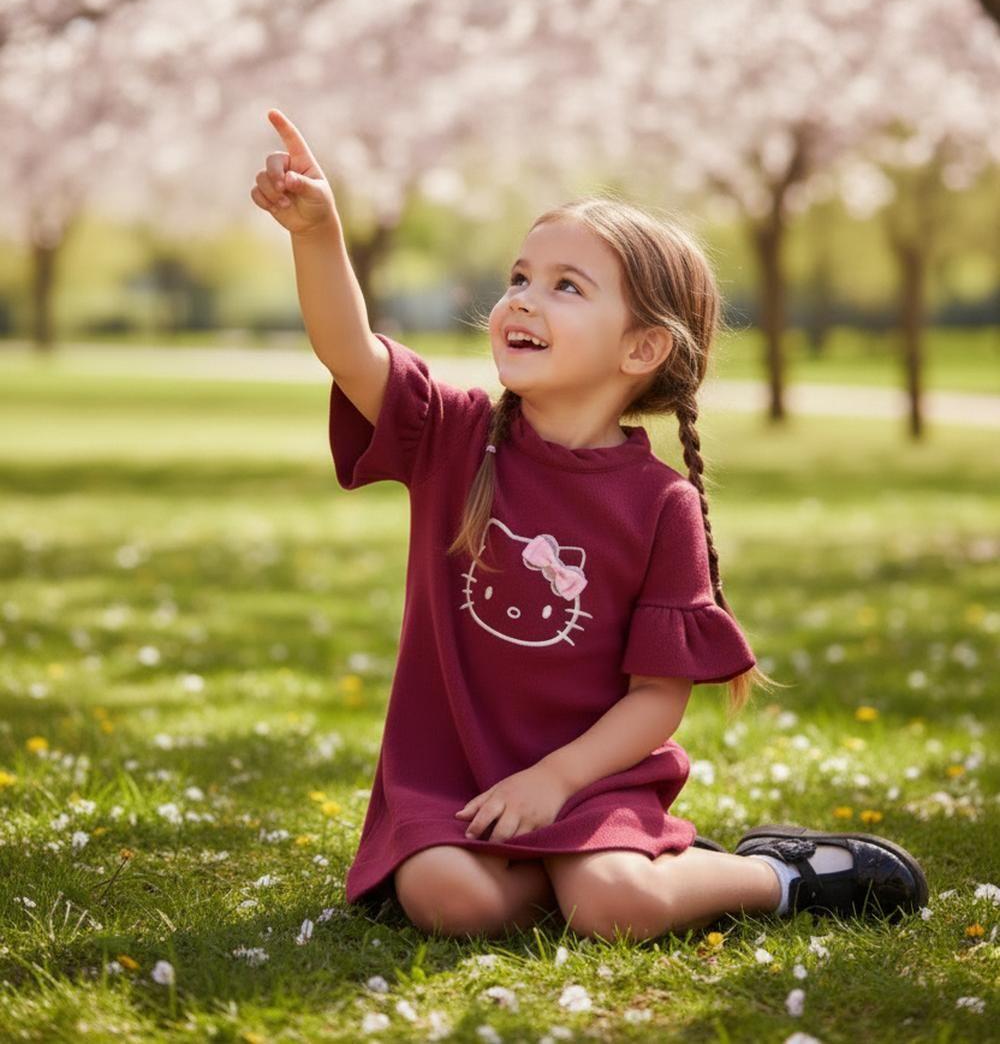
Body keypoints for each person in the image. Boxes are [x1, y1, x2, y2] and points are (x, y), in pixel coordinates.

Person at [251, 108, 929, 942]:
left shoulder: (660, 505)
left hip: (594, 778)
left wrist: (556, 783)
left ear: (641, 349)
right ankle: (568, 872)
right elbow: (348, 349)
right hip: (454, 777)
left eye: (566, 286)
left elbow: (658, 699)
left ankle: (768, 874)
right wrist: (316, 233)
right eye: (520, 278)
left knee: (611, 908)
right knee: (445, 901)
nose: (523, 302)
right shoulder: (454, 436)